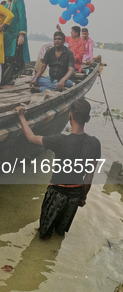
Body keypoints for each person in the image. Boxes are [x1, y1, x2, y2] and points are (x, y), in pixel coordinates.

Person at [15, 98, 101, 239]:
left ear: (70, 116)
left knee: (44, 234)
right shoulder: (94, 143)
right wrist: (83, 197)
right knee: (59, 233)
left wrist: (21, 116)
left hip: (57, 193)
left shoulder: (60, 140)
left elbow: (31, 137)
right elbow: (89, 176)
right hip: (75, 194)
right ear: (88, 118)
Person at [0, 0, 30, 88]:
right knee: (7, 58)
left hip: (17, 34)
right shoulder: (7, 3)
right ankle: (5, 80)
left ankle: (11, 81)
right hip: (8, 35)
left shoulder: (18, 0)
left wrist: (21, 34)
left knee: (16, 57)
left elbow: (22, 16)